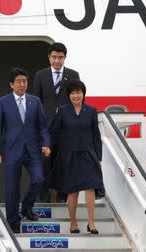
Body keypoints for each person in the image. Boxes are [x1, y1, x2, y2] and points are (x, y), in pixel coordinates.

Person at [0, 67, 51, 233]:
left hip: (32, 150)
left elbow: (42, 127)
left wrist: (46, 144)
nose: (22, 84)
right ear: (11, 84)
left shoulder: (35, 101)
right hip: (11, 150)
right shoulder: (3, 102)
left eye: (24, 81)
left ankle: (26, 207)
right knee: (12, 188)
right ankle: (13, 223)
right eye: (18, 81)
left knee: (39, 179)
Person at [48, 79, 104, 234]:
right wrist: (48, 146)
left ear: (83, 93)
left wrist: (99, 157)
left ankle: (91, 223)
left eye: (78, 92)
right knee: (72, 191)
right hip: (69, 155)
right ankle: (73, 223)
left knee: (90, 188)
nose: (75, 95)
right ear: (68, 95)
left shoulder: (91, 111)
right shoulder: (62, 111)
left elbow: (95, 135)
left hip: (88, 154)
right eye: (72, 93)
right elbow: (53, 131)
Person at [33, 42, 80, 202]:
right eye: (54, 57)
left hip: (66, 128)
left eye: (60, 57)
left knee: (65, 163)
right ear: (49, 57)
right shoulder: (41, 75)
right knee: (44, 162)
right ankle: (44, 197)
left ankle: (62, 197)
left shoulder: (73, 75)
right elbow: (36, 102)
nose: (57, 61)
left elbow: (77, 100)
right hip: (46, 127)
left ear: (65, 58)